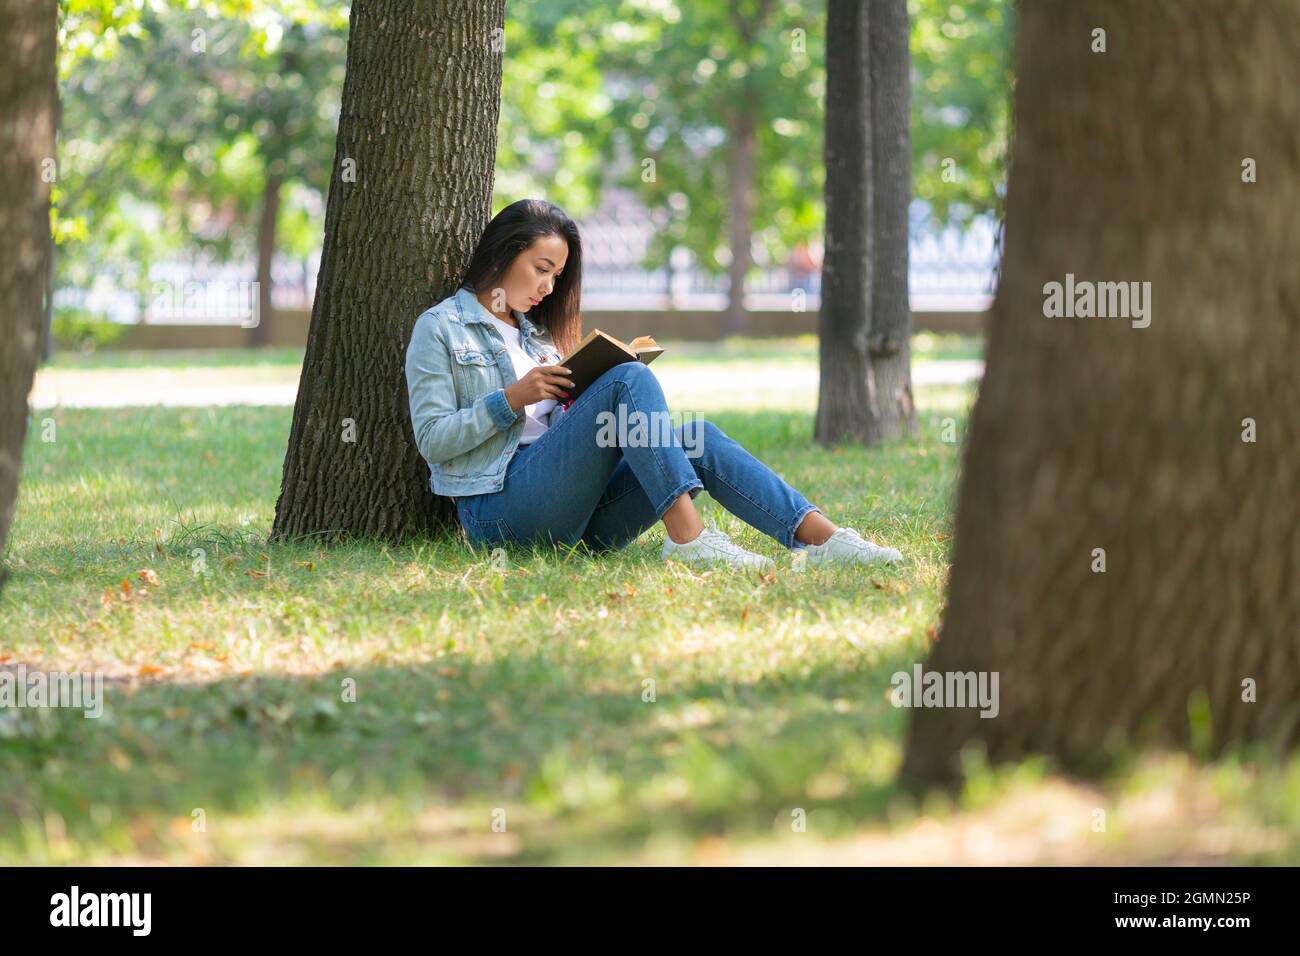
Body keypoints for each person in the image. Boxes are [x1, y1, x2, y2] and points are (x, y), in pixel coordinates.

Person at [404, 198, 902, 569]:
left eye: (557, 276)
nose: (548, 288)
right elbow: (432, 441)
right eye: (541, 269)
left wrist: (576, 401)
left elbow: (562, 435)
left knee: (696, 436)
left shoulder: (537, 338)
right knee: (627, 378)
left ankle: (820, 540)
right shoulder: (441, 327)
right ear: (505, 254)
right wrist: (512, 398)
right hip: (503, 515)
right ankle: (689, 540)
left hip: (579, 519)